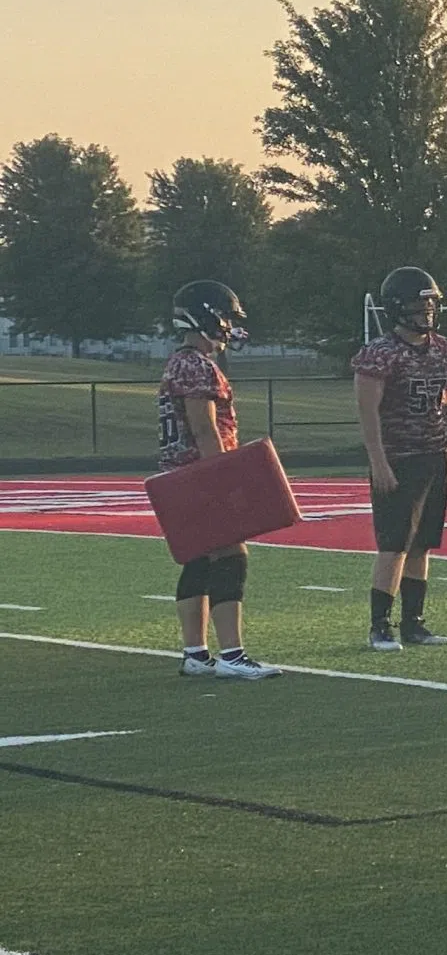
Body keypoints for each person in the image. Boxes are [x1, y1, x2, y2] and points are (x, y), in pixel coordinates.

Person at [353, 266, 447, 652]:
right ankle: (380, 625)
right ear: (397, 306)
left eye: (430, 301)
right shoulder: (379, 354)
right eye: (418, 302)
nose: (426, 310)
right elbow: (368, 412)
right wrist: (378, 461)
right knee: (393, 544)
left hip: (435, 454)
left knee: (422, 544)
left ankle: (414, 623)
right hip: (398, 456)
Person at [159, 281, 276, 679]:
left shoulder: (179, 361)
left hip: (180, 475)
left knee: (198, 559)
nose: (227, 326)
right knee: (231, 556)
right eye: (224, 317)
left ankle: (195, 653)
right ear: (205, 315)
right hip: (200, 474)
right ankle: (232, 655)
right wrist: (224, 480)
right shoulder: (195, 365)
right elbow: (205, 429)